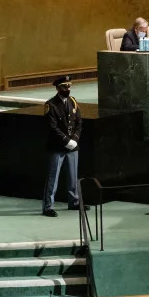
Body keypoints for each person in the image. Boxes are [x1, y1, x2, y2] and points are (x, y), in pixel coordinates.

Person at [42, 76, 87, 216]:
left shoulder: (72, 101)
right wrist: (66, 141)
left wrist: (75, 139)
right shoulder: (51, 104)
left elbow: (79, 122)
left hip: (73, 146)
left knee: (73, 176)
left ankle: (74, 202)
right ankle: (48, 206)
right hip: (57, 147)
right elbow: (52, 127)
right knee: (53, 178)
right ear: (58, 88)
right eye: (64, 87)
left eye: (69, 86)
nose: (68, 89)